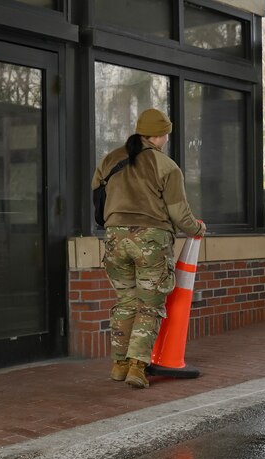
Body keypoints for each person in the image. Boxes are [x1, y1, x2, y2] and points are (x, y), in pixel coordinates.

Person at [91, 108, 206, 389]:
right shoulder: (166, 166)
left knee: (126, 301)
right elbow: (179, 213)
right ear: (162, 135)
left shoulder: (110, 159)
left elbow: (96, 194)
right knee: (149, 305)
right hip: (151, 241)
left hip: (115, 238)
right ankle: (137, 367)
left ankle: (118, 364)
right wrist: (197, 229)